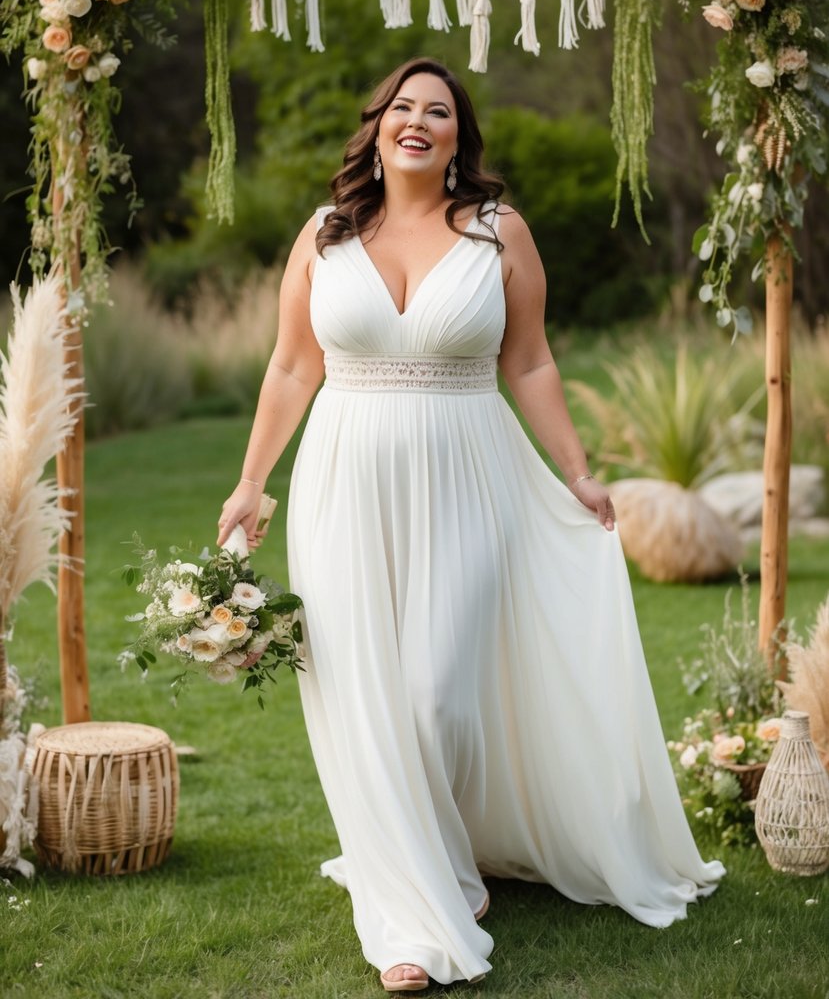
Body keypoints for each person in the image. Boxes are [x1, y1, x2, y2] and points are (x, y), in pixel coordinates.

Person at [217, 57, 724, 993]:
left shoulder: (498, 232)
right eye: (401, 107)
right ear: (374, 128)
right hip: (342, 484)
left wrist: (577, 472)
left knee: (437, 693)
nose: (417, 121)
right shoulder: (325, 234)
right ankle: (422, 903)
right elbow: (292, 368)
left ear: (458, 138)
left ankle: (447, 860)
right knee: (363, 690)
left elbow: (528, 361)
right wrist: (252, 482)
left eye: (437, 111)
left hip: (469, 473)